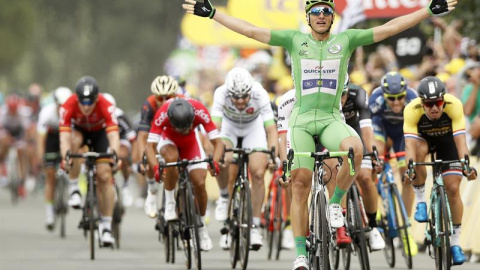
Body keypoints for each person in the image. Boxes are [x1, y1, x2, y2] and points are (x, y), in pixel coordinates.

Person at [182, 1, 459, 268]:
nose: (322, 15)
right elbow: (251, 31)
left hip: (330, 119)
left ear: (332, 16)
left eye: (327, 11)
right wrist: (214, 14)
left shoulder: (346, 40)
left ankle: (335, 204)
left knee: (355, 149)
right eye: (316, 11)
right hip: (301, 122)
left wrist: (426, 11)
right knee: (300, 184)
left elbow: (389, 29)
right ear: (308, 17)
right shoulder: (294, 41)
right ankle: (301, 254)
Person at [403, 76, 477, 265]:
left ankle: (455, 243)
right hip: (422, 142)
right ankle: (420, 200)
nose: (435, 107)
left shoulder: (454, 105)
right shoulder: (412, 109)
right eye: (429, 104)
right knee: (417, 154)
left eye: (438, 102)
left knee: (453, 188)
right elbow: (410, 146)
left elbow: (461, 142)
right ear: (422, 102)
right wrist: (410, 168)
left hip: (448, 143)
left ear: (444, 99)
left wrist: (467, 166)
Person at [211, 67, 278, 250]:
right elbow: (214, 129)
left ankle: (254, 225)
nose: (240, 101)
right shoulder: (221, 93)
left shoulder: (260, 93)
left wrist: (273, 155)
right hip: (229, 129)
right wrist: (214, 155)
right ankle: (225, 199)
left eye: (244, 97)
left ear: (250, 91)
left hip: (253, 129)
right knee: (223, 160)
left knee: (257, 173)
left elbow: (271, 129)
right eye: (236, 97)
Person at [146, 98, 223, 251]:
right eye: (180, 128)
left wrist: (215, 161)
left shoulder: (199, 110)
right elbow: (150, 147)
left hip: (190, 143)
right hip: (168, 140)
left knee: (200, 183)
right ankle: (170, 202)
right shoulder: (162, 114)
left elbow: (218, 143)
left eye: (187, 126)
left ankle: (201, 228)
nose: (184, 130)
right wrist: (155, 168)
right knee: (171, 159)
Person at [59, 76, 120, 246]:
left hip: (100, 134)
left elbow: (113, 135)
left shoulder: (106, 105)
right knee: (73, 144)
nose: (86, 107)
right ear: (76, 98)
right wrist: (66, 157)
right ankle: (74, 188)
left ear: (97, 99)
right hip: (79, 133)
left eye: (90, 103)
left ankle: (106, 226)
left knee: (105, 176)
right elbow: (64, 138)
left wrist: (114, 155)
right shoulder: (68, 105)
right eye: (82, 102)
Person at [369, 71, 418, 255]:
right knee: (375, 159)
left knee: (407, 175)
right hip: (380, 126)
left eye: (400, 98)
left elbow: (417, 132)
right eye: (392, 99)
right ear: (384, 95)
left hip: (402, 131)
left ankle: (405, 228)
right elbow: (366, 126)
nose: (397, 102)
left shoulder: (413, 99)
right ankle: (373, 203)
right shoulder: (375, 99)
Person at [138, 75, 182, 217]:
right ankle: (152, 191)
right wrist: (142, 159)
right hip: (156, 133)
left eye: (168, 97)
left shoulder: (182, 101)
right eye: (159, 98)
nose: (163, 102)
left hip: (174, 133)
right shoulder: (149, 105)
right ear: (154, 97)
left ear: (174, 95)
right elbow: (142, 137)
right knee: (149, 155)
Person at [37, 87, 73, 230]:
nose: (62, 109)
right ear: (55, 104)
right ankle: (49, 214)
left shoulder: (73, 113)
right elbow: (41, 138)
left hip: (67, 138)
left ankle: (71, 187)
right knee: (50, 176)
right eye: (60, 106)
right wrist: (41, 156)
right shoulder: (46, 113)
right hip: (51, 140)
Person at [103, 93, 137, 207]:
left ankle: (126, 184)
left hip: (121, 138)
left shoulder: (121, 116)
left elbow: (133, 139)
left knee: (121, 155)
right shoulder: (97, 115)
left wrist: (134, 158)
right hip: (104, 139)